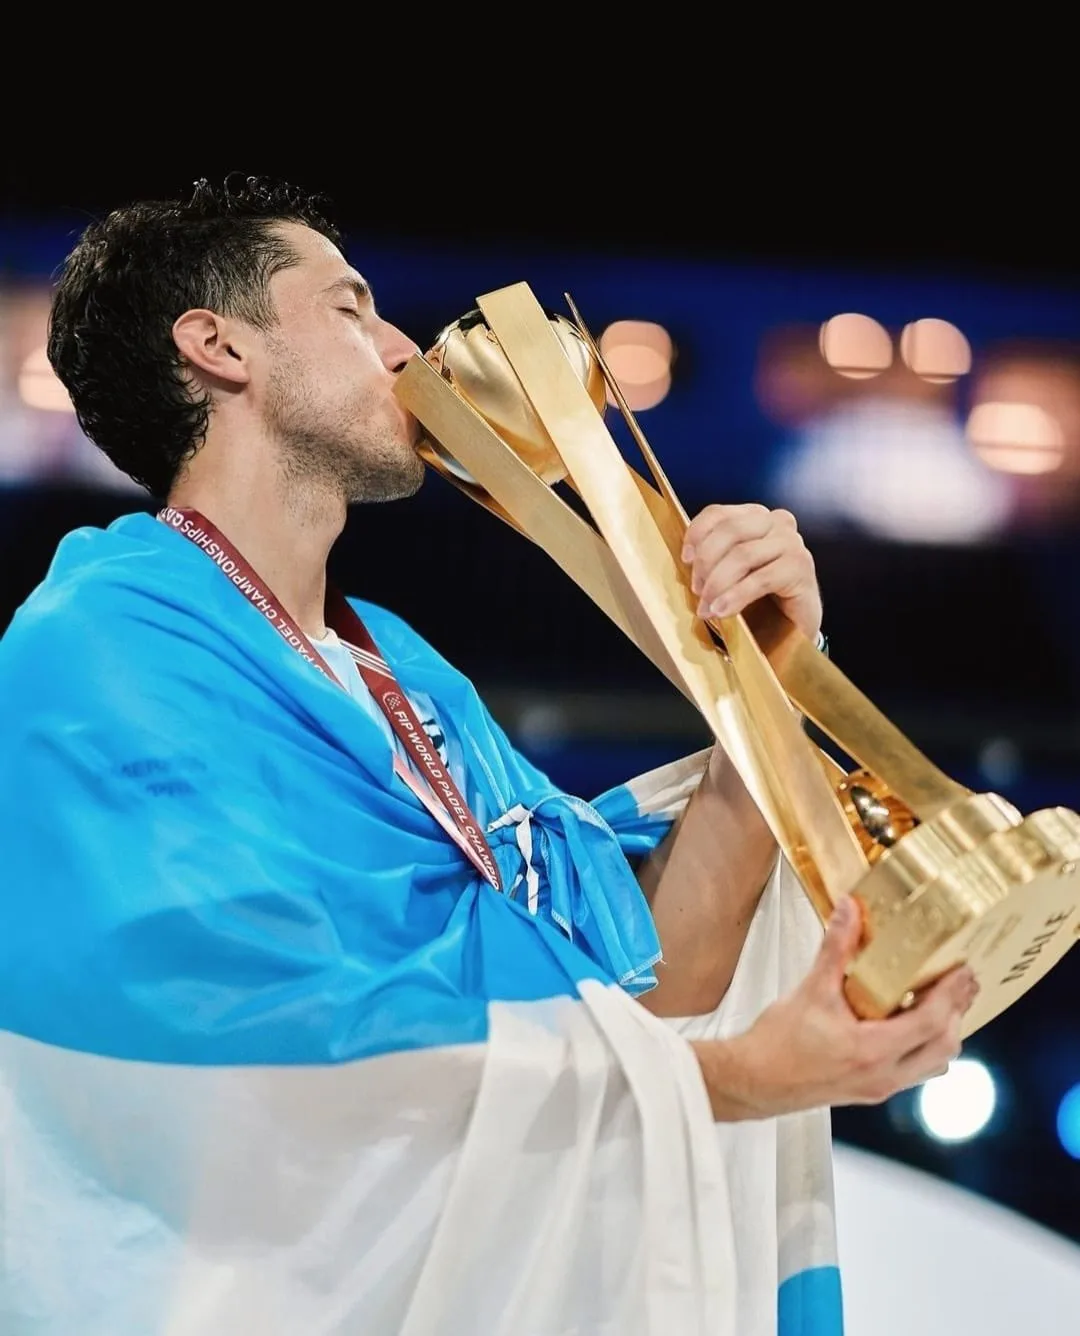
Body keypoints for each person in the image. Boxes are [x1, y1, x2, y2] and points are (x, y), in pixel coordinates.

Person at [0, 176, 976, 1336]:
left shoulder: (407, 679)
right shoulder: (101, 650)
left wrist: (758, 689)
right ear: (219, 347)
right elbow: (250, 1053)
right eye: (351, 308)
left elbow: (648, 983)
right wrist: (738, 1080)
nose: (405, 346)